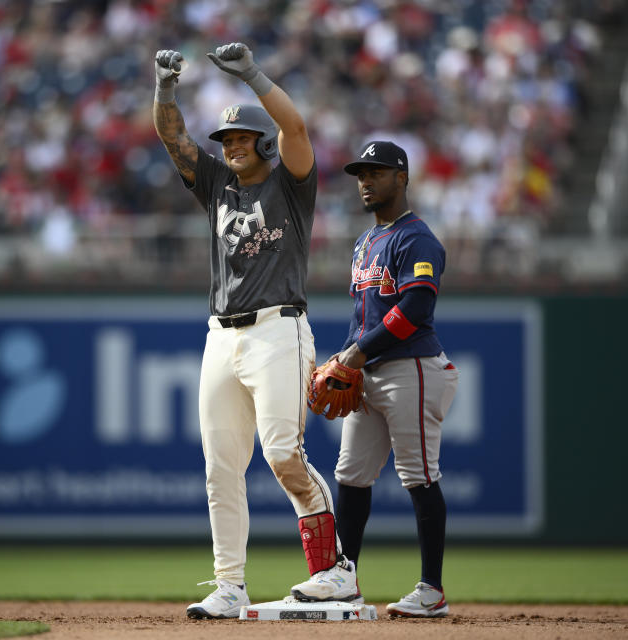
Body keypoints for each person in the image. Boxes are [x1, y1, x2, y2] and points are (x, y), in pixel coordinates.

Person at [152, 42, 359, 619]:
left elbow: (295, 124)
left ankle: (333, 570)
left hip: (278, 329)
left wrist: (252, 76)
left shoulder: (292, 185)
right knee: (220, 465)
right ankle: (229, 584)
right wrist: (167, 89)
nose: (232, 146)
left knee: (282, 454)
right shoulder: (217, 183)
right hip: (221, 335)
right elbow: (174, 139)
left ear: (263, 142)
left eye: (242, 138)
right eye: (227, 140)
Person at [329, 140, 460, 618]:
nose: (365, 181)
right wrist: (347, 357)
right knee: (350, 475)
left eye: (376, 172)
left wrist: (356, 355)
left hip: (412, 368)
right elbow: (362, 315)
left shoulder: (417, 238)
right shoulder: (365, 243)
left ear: (401, 178)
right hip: (371, 372)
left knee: (419, 475)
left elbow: (416, 309)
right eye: (361, 174)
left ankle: (432, 589)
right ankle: (342, 579)